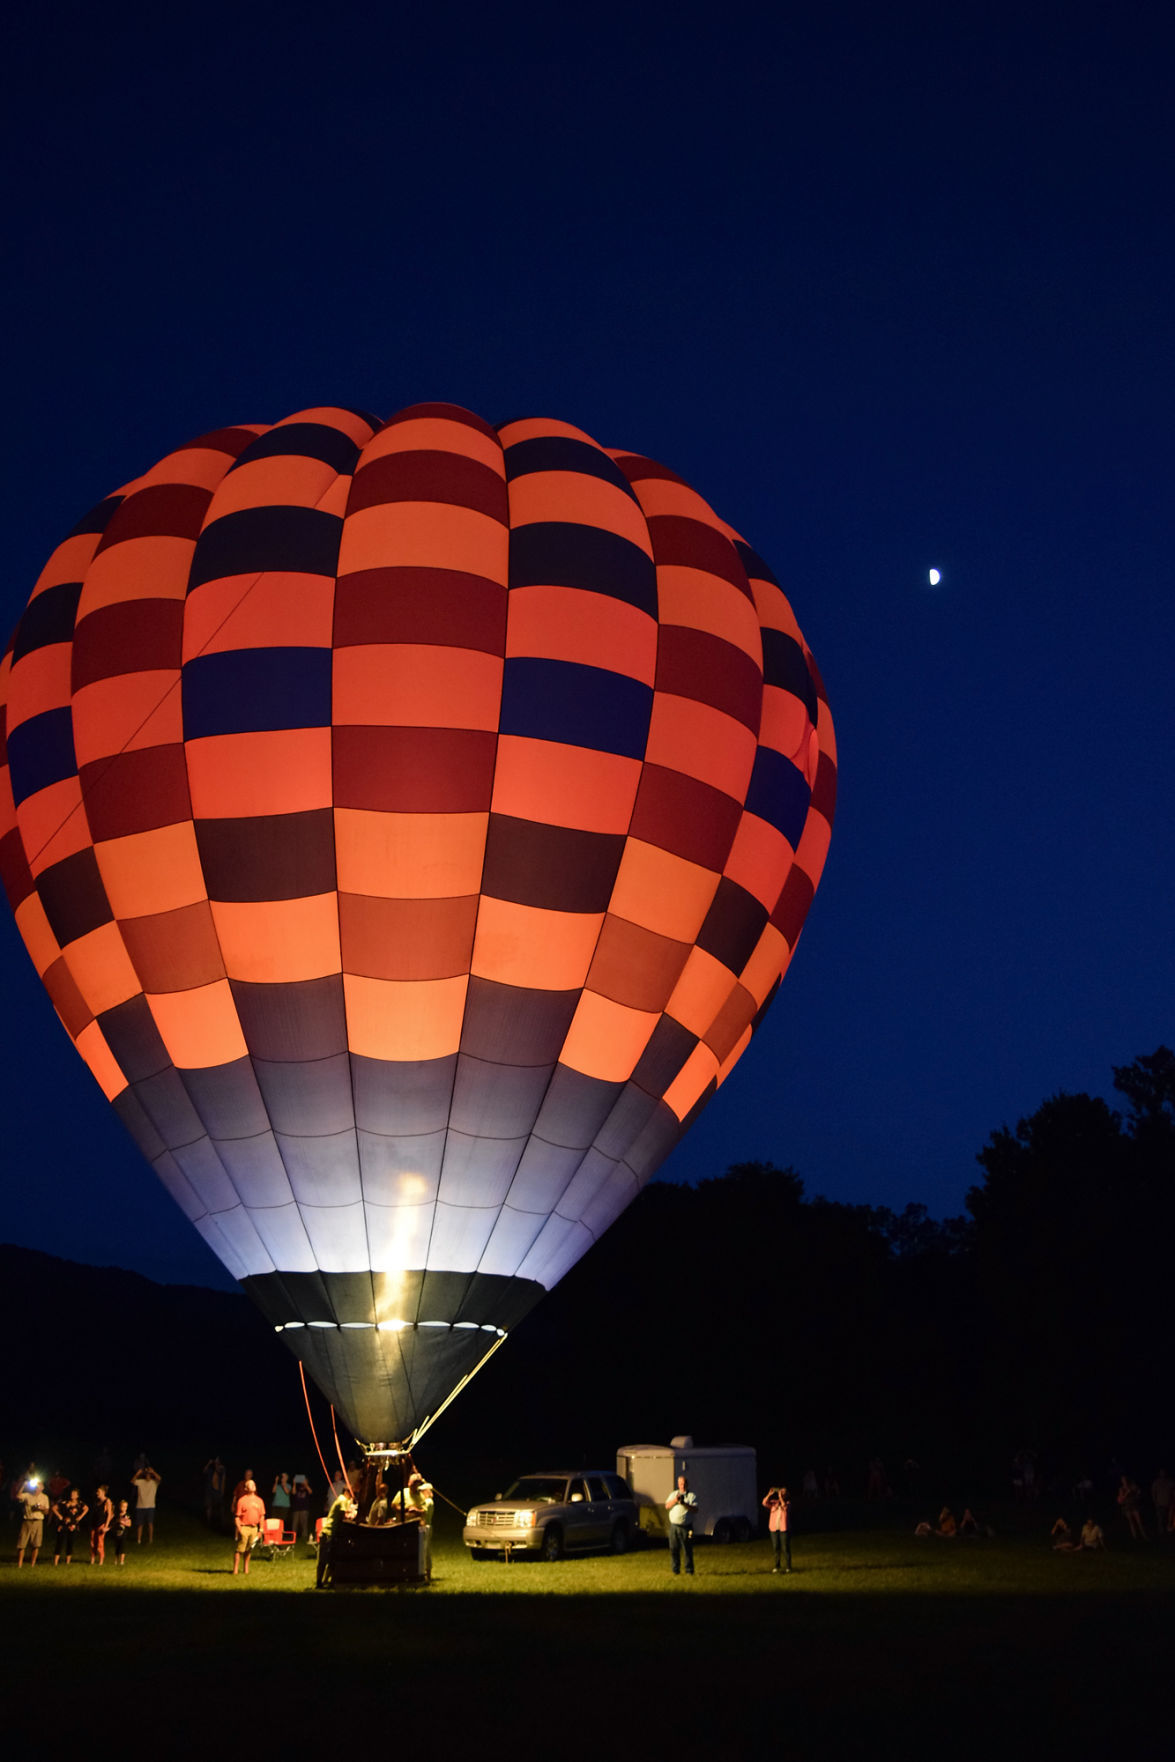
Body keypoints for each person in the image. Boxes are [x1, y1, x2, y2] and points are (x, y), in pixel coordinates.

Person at [317, 1491, 357, 1588]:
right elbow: (343, 1517)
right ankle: (319, 1582)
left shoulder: (342, 1499)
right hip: (328, 1533)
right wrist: (353, 1515)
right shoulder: (343, 1500)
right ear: (347, 1491)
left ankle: (327, 1581)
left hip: (331, 1533)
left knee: (331, 1559)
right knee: (324, 1559)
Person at [665, 1474, 698, 1576]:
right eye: (680, 1484)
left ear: (687, 1484)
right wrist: (675, 1500)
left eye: (684, 1484)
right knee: (674, 1549)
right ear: (678, 1485)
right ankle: (676, 1570)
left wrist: (684, 1503)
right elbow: (667, 1506)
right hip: (674, 1527)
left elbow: (695, 1509)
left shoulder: (691, 1496)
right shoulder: (674, 1494)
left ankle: (689, 1570)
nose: (682, 1486)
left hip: (686, 1527)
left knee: (687, 1549)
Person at [233, 1479, 266, 1577]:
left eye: (254, 1484)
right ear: (246, 1488)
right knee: (240, 1549)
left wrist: (261, 1530)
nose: (253, 1486)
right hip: (244, 1527)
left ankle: (246, 1569)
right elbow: (237, 1517)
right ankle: (235, 1569)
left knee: (249, 1549)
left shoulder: (259, 1501)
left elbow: (262, 1516)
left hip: (254, 1528)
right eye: (250, 1485)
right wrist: (239, 1529)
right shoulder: (242, 1500)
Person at [16, 1477, 50, 1567]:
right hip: (27, 1521)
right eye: (36, 1486)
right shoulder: (27, 1495)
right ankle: (19, 1564)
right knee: (22, 1544)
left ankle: (32, 1564)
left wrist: (42, 1508)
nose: (36, 1488)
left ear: (42, 1488)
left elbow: (47, 1512)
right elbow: (18, 1496)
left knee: (36, 1544)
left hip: (38, 1521)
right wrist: (23, 1485)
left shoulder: (44, 1497)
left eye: (39, 1486)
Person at [52, 1486, 88, 1565]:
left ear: (77, 1496)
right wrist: (59, 1516)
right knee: (60, 1542)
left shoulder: (79, 1504)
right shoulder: (65, 1502)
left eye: (74, 1494)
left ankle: (67, 1562)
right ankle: (55, 1562)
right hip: (63, 1525)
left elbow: (86, 1508)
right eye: (72, 1493)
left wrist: (80, 1517)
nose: (72, 1495)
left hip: (73, 1526)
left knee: (70, 1543)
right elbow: (54, 1508)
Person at [762, 1484, 791, 1573]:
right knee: (776, 1547)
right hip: (774, 1528)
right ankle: (777, 1566)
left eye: (783, 1492)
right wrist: (769, 1494)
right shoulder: (774, 1502)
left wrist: (780, 1497)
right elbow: (764, 1503)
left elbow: (784, 1507)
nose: (781, 1493)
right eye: (780, 1491)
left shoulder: (787, 1502)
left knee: (785, 1547)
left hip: (783, 1529)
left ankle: (788, 1567)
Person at [131, 1462, 162, 1544]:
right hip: (140, 1506)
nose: (148, 1475)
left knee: (150, 1523)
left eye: (149, 1474)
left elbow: (159, 1479)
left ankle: (150, 1540)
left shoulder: (154, 1482)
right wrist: (137, 1474)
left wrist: (153, 1472)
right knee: (140, 1524)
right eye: (146, 1474)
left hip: (151, 1506)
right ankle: (138, 1540)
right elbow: (132, 1481)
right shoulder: (140, 1481)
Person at [1117, 1474, 1146, 1539]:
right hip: (1127, 1507)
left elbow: (1138, 1493)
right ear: (1122, 1481)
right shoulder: (1121, 1489)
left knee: (1139, 1521)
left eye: (1125, 1479)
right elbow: (1121, 1499)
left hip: (1134, 1506)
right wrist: (1127, 1493)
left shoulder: (1132, 1486)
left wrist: (1138, 1492)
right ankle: (1135, 1537)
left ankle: (1144, 1535)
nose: (1124, 1481)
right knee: (1131, 1522)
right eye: (1123, 1480)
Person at [90, 1484, 113, 1565]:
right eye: (97, 1491)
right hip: (94, 1524)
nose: (97, 1493)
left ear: (103, 1492)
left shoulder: (107, 1501)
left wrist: (106, 1526)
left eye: (98, 1491)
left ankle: (101, 1560)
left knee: (100, 1543)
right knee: (93, 1542)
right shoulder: (97, 1501)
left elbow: (110, 1514)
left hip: (101, 1524)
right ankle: (92, 1559)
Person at [290, 1474, 313, 1542]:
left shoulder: (307, 1488)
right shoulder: (297, 1488)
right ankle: (293, 1536)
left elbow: (310, 1492)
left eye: (304, 1480)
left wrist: (306, 1484)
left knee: (304, 1524)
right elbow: (293, 1493)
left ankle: (304, 1536)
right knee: (295, 1524)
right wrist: (294, 1484)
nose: (303, 1481)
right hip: (296, 1509)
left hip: (304, 1509)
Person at [113, 1499, 133, 1565]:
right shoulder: (117, 1515)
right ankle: (116, 1560)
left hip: (124, 1533)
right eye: (122, 1506)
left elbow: (129, 1524)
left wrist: (123, 1523)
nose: (124, 1508)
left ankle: (122, 1561)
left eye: (125, 1507)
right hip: (117, 1533)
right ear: (119, 1507)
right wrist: (117, 1521)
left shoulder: (127, 1515)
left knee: (122, 1547)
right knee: (117, 1547)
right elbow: (114, 1523)